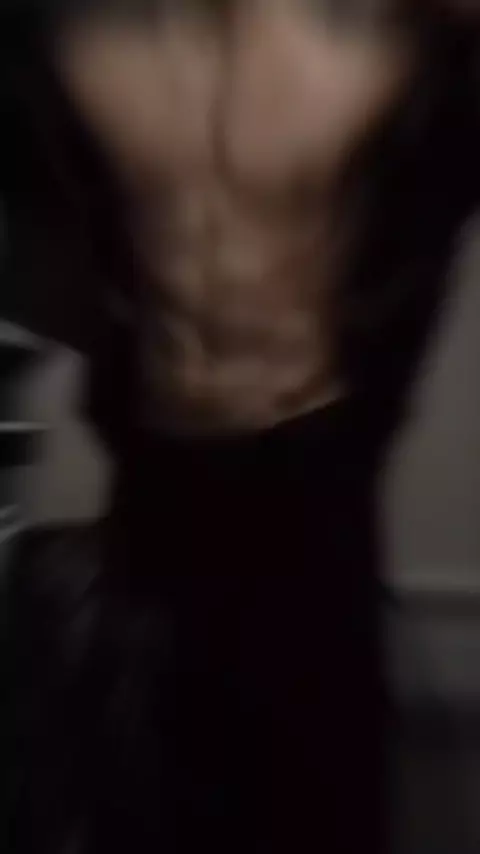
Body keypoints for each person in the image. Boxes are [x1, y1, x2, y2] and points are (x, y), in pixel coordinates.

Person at [1, 2, 479, 852]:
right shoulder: (75, 41)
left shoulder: (379, 49)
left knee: (309, 811)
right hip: (155, 494)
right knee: (141, 808)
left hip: (312, 496)